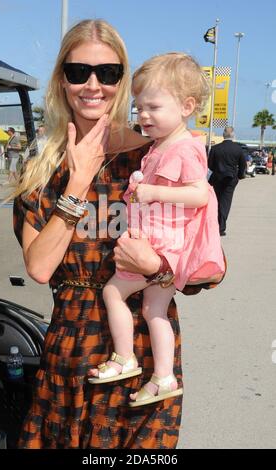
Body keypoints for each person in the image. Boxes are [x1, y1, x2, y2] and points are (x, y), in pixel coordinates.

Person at [11, 19, 191, 449]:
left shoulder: (154, 157)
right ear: (62, 79)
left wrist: (160, 268)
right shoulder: (39, 168)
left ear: (122, 80)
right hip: (72, 343)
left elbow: (209, 264)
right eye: (79, 72)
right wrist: (78, 182)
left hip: (145, 346)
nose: (93, 85)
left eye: (107, 73)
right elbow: (39, 266)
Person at [88, 53, 225, 407]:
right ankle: (164, 376)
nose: (143, 116)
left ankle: (125, 358)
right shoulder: (162, 146)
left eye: (152, 107)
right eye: (138, 108)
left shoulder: (184, 148)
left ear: (186, 106)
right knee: (154, 312)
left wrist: (151, 191)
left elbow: (199, 194)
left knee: (113, 293)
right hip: (166, 249)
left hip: (160, 246)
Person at [208, 126, 246, 236]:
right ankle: (221, 228)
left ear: (223, 135)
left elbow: (209, 165)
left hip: (217, 179)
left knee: (216, 202)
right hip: (230, 179)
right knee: (225, 202)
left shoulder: (215, 148)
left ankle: (214, 225)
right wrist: (240, 176)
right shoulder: (238, 149)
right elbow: (242, 165)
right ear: (233, 135)